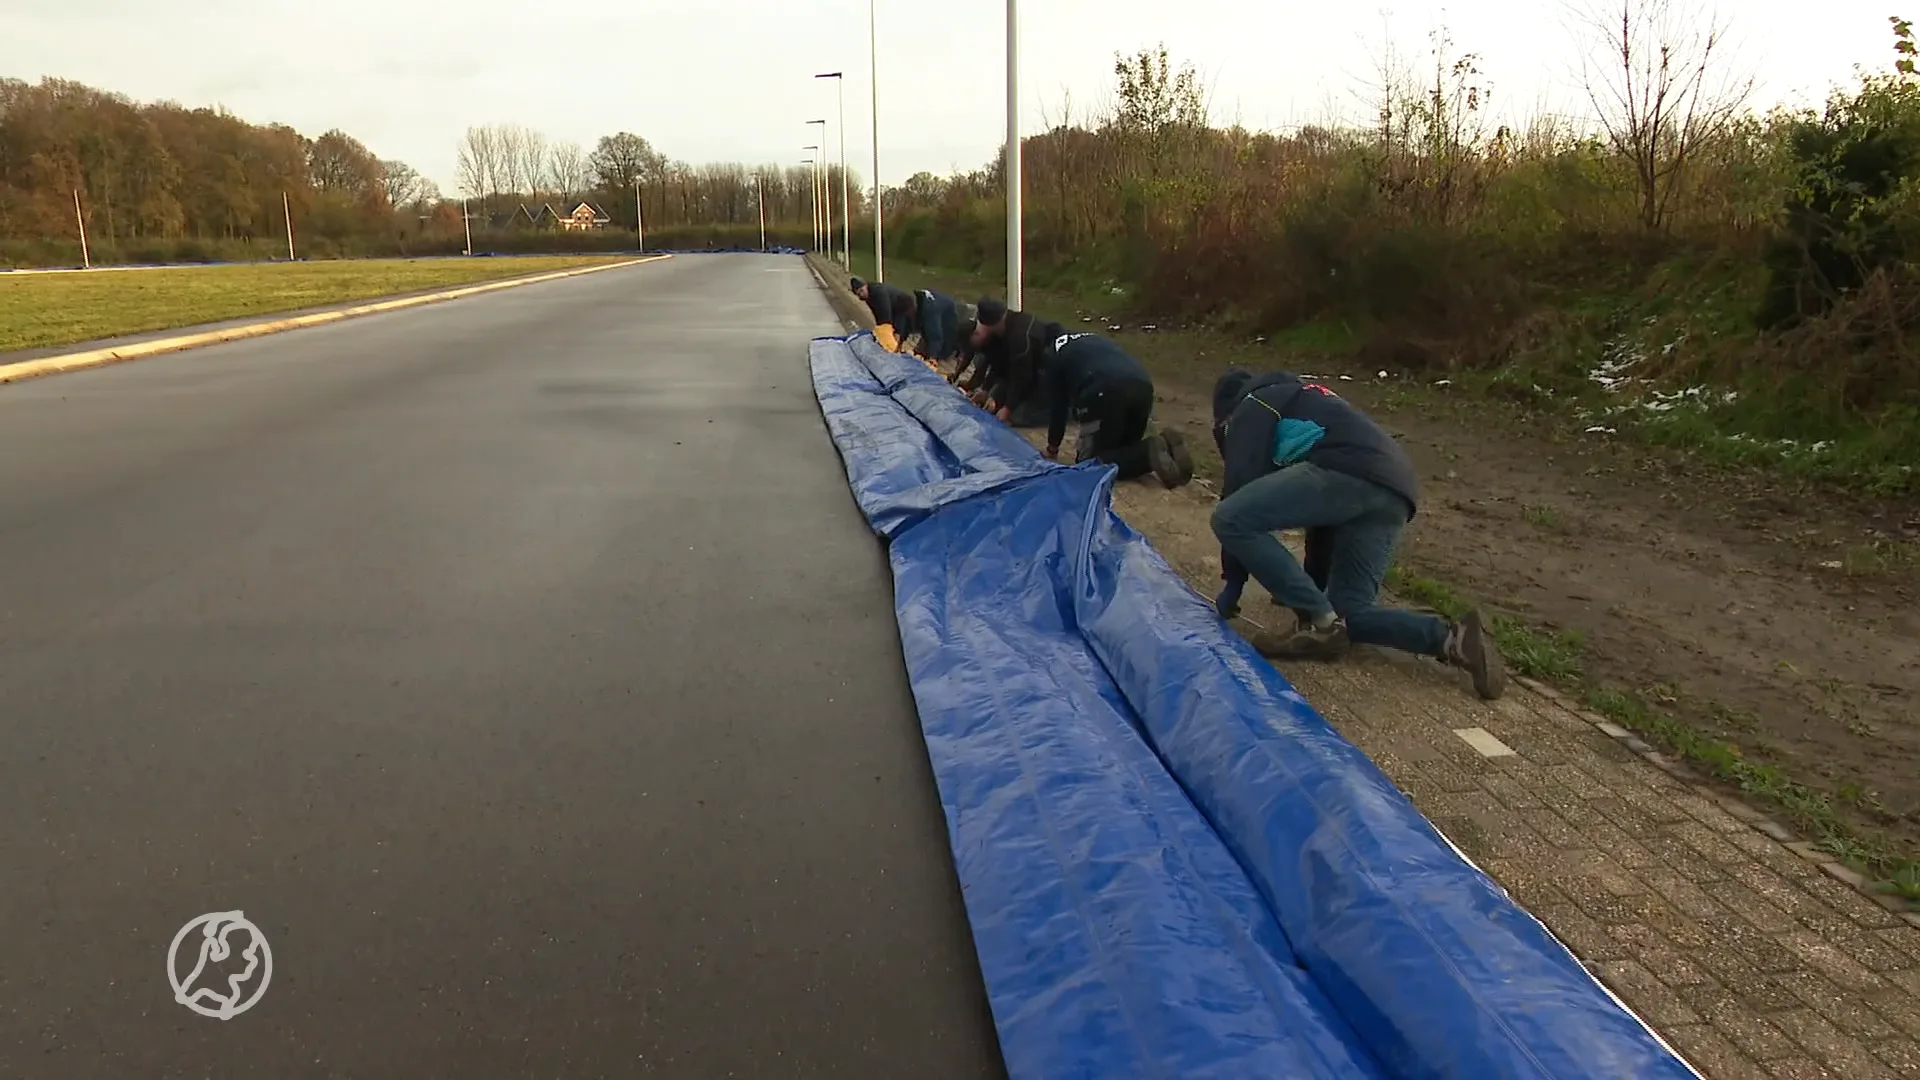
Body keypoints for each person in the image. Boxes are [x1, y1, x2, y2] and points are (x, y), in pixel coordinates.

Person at [1207, 367, 1505, 700]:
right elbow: (1321, 520)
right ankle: (1455, 640)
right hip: (1395, 488)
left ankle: (1321, 624)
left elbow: (1236, 495)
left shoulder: (1253, 404)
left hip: (1348, 473)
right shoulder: (1306, 398)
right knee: (1349, 614)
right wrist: (1312, 594)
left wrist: (1233, 582)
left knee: (1229, 518)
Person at [1038, 331, 1193, 489]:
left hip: (1104, 392)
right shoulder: (1090, 339)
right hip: (1142, 386)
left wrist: (1052, 448)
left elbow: (1059, 408)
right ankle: (1165, 447)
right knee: (1123, 451)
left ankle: (1148, 452)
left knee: (1089, 466)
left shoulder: (1053, 358)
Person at [850, 277, 916, 352]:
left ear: (866, 286)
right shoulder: (868, 295)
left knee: (897, 331)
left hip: (904, 305)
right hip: (894, 307)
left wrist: (883, 331)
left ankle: (895, 351)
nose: (861, 294)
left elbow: (885, 317)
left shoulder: (878, 293)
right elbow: (876, 313)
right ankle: (894, 349)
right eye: (858, 294)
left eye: (862, 291)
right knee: (888, 330)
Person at [912, 288, 962, 363]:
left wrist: (932, 358)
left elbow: (936, 337)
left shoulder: (930, 311)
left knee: (938, 350)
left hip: (947, 325)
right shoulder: (916, 299)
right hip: (938, 306)